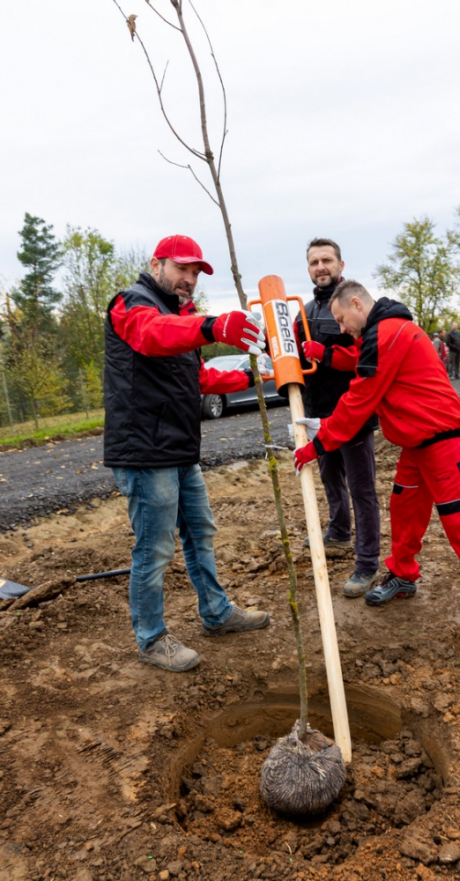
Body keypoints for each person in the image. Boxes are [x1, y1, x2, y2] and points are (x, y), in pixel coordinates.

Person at [293, 281, 460, 658]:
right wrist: (326, 356)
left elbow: (360, 396)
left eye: (342, 320)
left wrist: (319, 443)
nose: (343, 329)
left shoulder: (388, 332)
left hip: (441, 441)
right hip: (417, 441)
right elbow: (360, 363)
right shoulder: (383, 332)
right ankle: (403, 573)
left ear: (356, 302)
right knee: (405, 508)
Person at [104, 234, 271, 672]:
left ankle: (216, 613)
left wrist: (254, 378)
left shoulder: (182, 317)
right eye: (182, 268)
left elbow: (196, 378)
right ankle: (152, 638)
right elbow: (150, 336)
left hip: (180, 448)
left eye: (196, 273)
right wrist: (213, 325)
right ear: (157, 264)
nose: (190, 279)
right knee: (155, 549)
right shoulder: (131, 304)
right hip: (144, 450)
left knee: (201, 532)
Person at [294, 238, 380, 598]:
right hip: (317, 412)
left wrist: (325, 354)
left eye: (326, 260)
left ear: (341, 265)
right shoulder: (304, 311)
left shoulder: (353, 305)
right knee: (330, 478)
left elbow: (364, 358)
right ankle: (340, 532)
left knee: (362, 489)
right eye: (314, 262)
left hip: (353, 413)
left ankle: (367, 563)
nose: (320, 267)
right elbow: (296, 355)